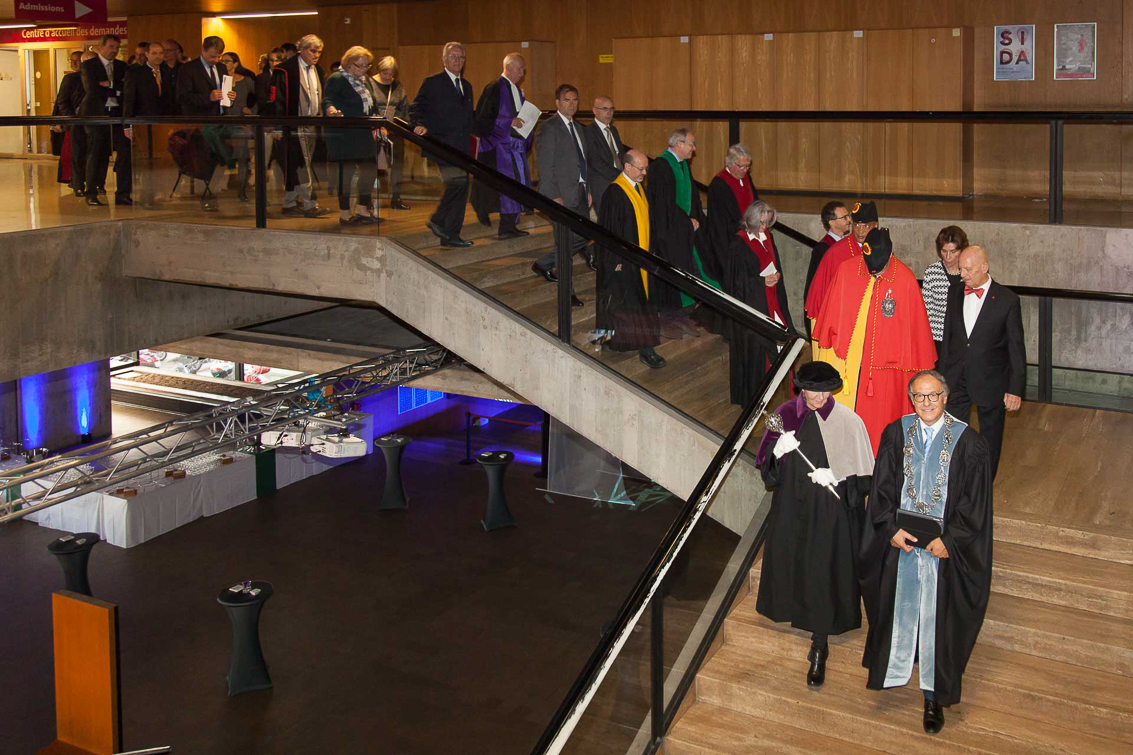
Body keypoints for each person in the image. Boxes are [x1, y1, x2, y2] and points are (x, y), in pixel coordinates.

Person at [859, 370, 993, 735]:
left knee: (939, 624)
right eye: (919, 396)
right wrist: (890, 529)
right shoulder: (896, 433)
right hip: (902, 545)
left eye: (933, 395)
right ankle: (892, 669)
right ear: (911, 399)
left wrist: (951, 540)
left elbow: (975, 504)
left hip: (941, 552)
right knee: (896, 609)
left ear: (946, 396)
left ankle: (933, 697)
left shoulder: (969, 443)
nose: (927, 403)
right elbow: (882, 488)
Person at [754, 361, 874, 688]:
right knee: (795, 564)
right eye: (812, 391)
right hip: (791, 507)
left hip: (829, 513)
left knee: (823, 572)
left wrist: (837, 477)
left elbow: (865, 478)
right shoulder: (785, 415)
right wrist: (778, 450)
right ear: (801, 388)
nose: (819, 398)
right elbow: (768, 470)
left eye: (825, 391)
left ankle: (819, 646)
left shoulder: (848, 421)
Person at [812, 228, 937, 454]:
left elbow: (916, 336)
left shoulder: (905, 279)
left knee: (881, 433)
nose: (874, 273)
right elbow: (831, 321)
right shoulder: (847, 270)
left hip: (888, 373)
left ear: (891, 254)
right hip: (849, 367)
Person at [936, 245, 1025, 478]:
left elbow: (1016, 349)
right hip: (956, 379)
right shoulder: (955, 292)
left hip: (990, 381)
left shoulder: (1007, 300)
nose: (962, 274)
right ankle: (954, 479)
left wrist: (1015, 389)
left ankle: (983, 483)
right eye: (961, 269)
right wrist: (941, 379)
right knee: (952, 433)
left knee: (990, 438)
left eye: (968, 269)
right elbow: (948, 338)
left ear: (984, 267)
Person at [595, 150, 665, 369]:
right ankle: (646, 350)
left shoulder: (638, 188)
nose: (644, 173)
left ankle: (609, 341)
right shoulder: (615, 192)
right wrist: (616, 259)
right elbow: (609, 230)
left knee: (631, 304)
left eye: (646, 169)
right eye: (641, 168)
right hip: (624, 260)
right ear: (627, 167)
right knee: (631, 305)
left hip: (640, 257)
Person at [721, 200, 794, 406]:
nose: (764, 226)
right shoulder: (738, 244)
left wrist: (776, 276)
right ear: (750, 220)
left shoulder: (768, 237)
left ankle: (781, 393)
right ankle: (755, 399)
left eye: (767, 222)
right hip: (754, 306)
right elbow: (736, 282)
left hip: (773, 300)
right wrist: (761, 282)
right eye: (761, 222)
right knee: (757, 353)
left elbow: (774, 263)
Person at [647, 128, 718, 337]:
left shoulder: (683, 164)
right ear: (679, 144)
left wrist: (696, 219)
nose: (694, 148)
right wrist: (685, 221)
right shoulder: (661, 165)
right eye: (691, 144)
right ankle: (668, 319)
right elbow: (662, 203)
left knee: (693, 271)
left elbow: (692, 197)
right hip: (669, 232)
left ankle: (682, 315)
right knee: (675, 272)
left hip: (685, 230)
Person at [409, 41, 473, 247]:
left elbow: (468, 118)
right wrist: (419, 124)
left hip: (461, 147)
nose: (457, 60)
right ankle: (438, 220)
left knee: (462, 186)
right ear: (444, 60)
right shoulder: (433, 82)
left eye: (460, 57)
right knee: (457, 183)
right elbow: (416, 107)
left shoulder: (467, 86)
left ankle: (450, 234)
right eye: (453, 56)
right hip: (441, 145)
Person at [533, 84, 593, 283]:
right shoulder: (549, 127)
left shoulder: (579, 128)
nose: (571, 104)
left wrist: (587, 188)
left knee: (585, 234)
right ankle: (567, 292)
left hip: (580, 192)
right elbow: (545, 165)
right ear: (557, 103)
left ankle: (544, 263)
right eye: (567, 100)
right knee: (564, 241)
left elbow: (583, 161)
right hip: (561, 195)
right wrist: (552, 196)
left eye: (575, 100)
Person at [472, 53, 533, 239]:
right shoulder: (494, 88)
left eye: (523, 70)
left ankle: (510, 225)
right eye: (520, 69)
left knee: (515, 185)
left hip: (514, 147)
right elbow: (483, 117)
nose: (522, 73)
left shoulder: (517, 90)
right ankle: (506, 226)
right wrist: (509, 122)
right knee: (504, 187)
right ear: (508, 67)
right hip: (499, 149)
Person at [322, 46, 381, 226]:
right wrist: (331, 109)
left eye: (367, 66)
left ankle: (362, 208)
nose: (364, 69)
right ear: (348, 63)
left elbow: (372, 103)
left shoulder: (365, 80)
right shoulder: (337, 78)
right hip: (343, 134)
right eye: (359, 65)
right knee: (345, 174)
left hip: (363, 132)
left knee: (370, 169)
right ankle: (345, 213)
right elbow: (327, 100)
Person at [176, 36, 235, 211]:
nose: (215, 60)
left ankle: (211, 192)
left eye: (218, 57)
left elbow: (225, 92)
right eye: (212, 56)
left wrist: (230, 97)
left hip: (220, 120)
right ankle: (207, 195)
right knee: (206, 158)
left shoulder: (222, 68)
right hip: (200, 122)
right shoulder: (188, 69)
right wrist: (207, 98)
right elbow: (182, 97)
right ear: (203, 50)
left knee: (223, 157)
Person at [279, 34, 332, 218]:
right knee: (303, 164)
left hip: (313, 123)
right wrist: (278, 126)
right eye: (312, 51)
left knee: (302, 163)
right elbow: (277, 101)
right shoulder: (286, 70)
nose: (316, 55)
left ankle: (289, 202)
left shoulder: (318, 70)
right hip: (294, 124)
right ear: (301, 49)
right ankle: (310, 204)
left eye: (319, 52)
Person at [805, 200, 878, 330]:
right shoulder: (835, 252)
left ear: (875, 226)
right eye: (857, 225)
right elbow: (820, 293)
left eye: (866, 226)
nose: (860, 231)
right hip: (844, 322)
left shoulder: (882, 248)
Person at [79, 34, 130, 207]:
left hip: (117, 115)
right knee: (96, 153)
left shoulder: (122, 66)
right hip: (97, 114)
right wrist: (113, 87)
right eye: (111, 47)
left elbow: (125, 88)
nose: (114, 51)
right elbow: (92, 89)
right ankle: (91, 192)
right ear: (101, 47)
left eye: (117, 48)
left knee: (124, 152)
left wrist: (109, 85)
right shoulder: (89, 65)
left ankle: (123, 194)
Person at [706, 143, 757, 277]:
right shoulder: (719, 185)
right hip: (730, 241)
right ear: (729, 163)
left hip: (749, 236)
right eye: (740, 166)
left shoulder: (746, 178)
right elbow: (719, 224)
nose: (744, 170)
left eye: (747, 166)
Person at [803, 201, 852, 337]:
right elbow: (817, 286)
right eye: (844, 217)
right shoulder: (823, 249)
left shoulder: (849, 245)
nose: (849, 220)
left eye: (848, 216)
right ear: (832, 222)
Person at [922, 225, 968, 355]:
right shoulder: (932, 272)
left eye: (953, 252)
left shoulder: (969, 273)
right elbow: (926, 311)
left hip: (962, 338)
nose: (948, 257)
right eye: (944, 251)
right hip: (937, 339)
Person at [372, 56, 410, 210]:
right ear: (379, 71)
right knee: (372, 164)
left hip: (394, 131)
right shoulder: (370, 84)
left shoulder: (398, 86)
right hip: (374, 131)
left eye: (391, 74)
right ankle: (368, 198)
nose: (388, 77)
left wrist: (397, 126)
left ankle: (396, 197)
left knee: (397, 164)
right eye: (385, 73)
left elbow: (404, 108)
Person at [220, 51, 257, 202]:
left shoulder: (246, 81)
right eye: (222, 61)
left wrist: (252, 111)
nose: (223, 64)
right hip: (225, 122)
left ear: (235, 64)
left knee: (242, 154)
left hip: (241, 122)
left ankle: (242, 190)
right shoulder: (220, 79)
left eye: (226, 61)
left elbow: (259, 97)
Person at [583, 96, 626, 213]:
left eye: (611, 109)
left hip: (620, 182)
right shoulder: (589, 132)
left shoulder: (613, 130)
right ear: (594, 110)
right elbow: (595, 162)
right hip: (603, 185)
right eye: (605, 109)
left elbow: (620, 154)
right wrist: (621, 176)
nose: (609, 112)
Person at [52, 49, 86, 196]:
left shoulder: (92, 77)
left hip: (89, 121)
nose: (74, 64)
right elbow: (61, 101)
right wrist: (67, 118)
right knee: (73, 153)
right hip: (73, 122)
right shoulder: (70, 79)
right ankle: (75, 181)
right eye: (72, 61)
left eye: (77, 61)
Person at [160, 39, 184, 114]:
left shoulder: (184, 68)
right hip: (162, 109)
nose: (164, 53)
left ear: (177, 52)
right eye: (162, 51)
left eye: (167, 51)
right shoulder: (158, 69)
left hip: (181, 108)